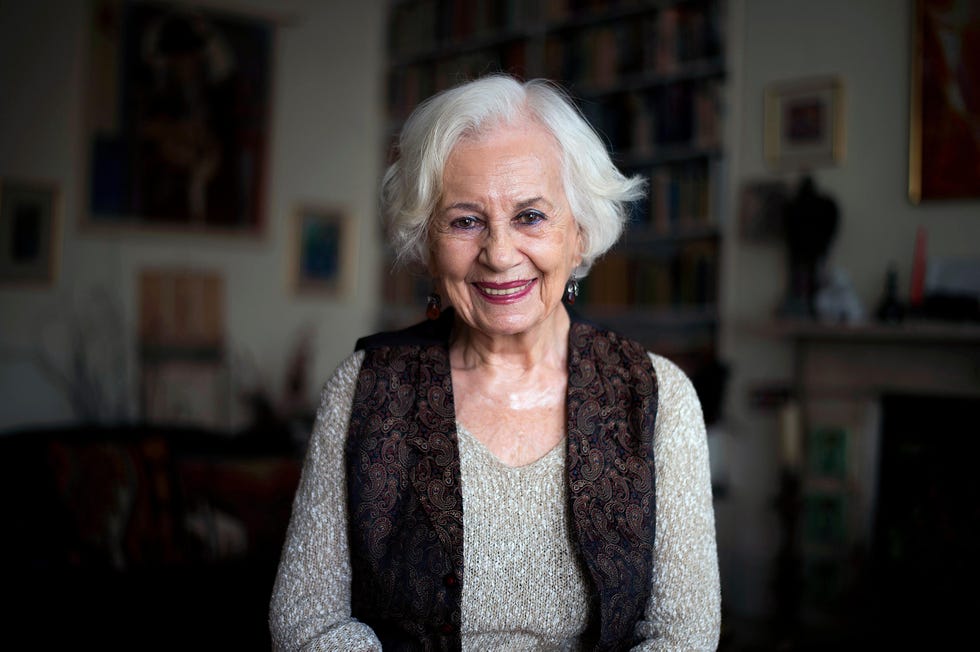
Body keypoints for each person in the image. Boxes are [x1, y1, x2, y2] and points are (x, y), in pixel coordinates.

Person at [269, 74, 720, 650]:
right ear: (427, 243)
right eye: (465, 221)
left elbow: (683, 634)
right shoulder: (363, 390)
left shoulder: (658, 395)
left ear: (579, 234)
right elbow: (308, 624)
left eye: (530, 216)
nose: (500, 254)